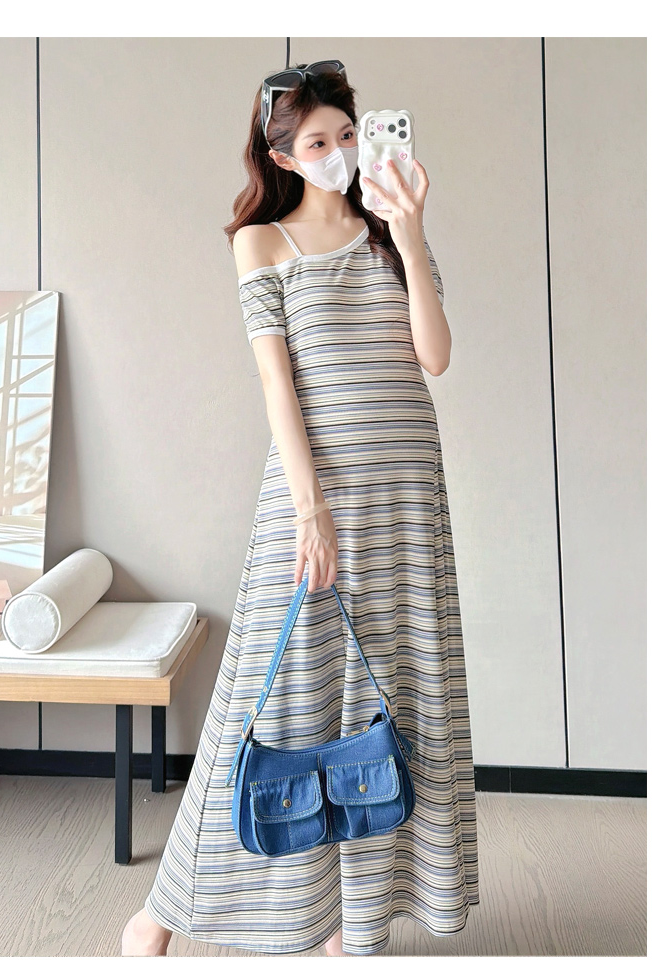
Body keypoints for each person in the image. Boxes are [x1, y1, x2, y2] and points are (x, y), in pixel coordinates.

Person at [122, 60, 479, 957]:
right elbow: (277, 387)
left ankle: (353, 923)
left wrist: (411, 233)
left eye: (347, 135)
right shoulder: (262, 243)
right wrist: (309, 510)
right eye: (317, 141)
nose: (338, 152)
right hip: (316, 498)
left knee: (393, 702)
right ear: (282, 156)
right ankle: (159, 912)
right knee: (273, 700)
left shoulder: (388, 231)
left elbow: (435, 356)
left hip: (407, 496)